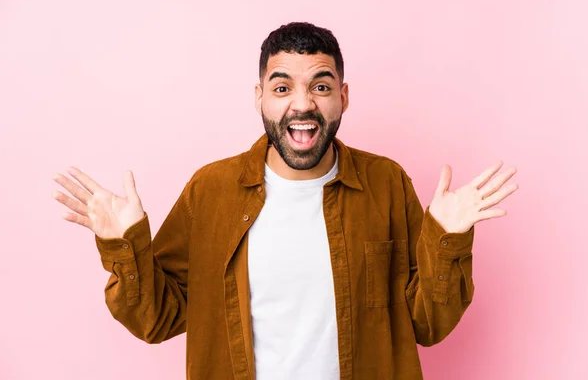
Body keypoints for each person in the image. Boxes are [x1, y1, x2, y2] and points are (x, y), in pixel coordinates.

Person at [52, 22, 518, 380]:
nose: (302, 104)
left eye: (320, 86)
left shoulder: (387, 183)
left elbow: (427, 326)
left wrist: (447, 241)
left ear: (343, 96)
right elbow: (157, 320)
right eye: (282, 88)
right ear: (260, 98)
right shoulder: (210, 190)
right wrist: (125, 248)